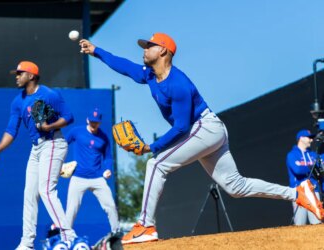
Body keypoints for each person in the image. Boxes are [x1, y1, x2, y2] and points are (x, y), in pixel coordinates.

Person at [79, 33, 324, 245]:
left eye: (149, 45)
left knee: (156, 163)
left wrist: (150, 147)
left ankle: (146, 225)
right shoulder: (150, 75)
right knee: (236, 187)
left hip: (205, 128)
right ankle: (299, 193)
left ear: (163, 50)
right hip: (203, 132)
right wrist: (96, 51)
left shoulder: (179, 84)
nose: (144, 49)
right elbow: (124, 66)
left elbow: (182, 127)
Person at [0, 61, 77, 250]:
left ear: (31, 75)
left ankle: (69, 237)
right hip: (36, 148)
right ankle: (27, 243)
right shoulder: (18, 101)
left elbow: (69, 116)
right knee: (29, 194)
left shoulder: (49, 95)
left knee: (46, 190)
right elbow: (11, 130)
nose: (17, 76)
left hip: (53, 142)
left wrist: (50, 126)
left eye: (20, 73)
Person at [65, 108, 119, 233]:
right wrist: (59, 162)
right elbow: (62, 145)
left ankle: (116, 234)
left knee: (110, 206)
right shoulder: (76, 132)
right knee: (71, 209)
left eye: (96, 121)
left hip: (97, 178)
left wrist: (108, 169)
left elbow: (108, 157)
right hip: (78, 177)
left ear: (100, 122)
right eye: (92, 121)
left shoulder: (104, 137)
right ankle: (65, 238)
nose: (94, 123)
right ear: (87, 120)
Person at [287, 129, 324, 225]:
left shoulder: (314, 155)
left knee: (317, 222)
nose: (311, 140)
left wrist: (306, 167)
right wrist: (312, 167)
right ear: (301, 138)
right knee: (300, 224)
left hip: (314, 192)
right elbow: (297, 170)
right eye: (309, 138)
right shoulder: (292, 155)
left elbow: (320, 171)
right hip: (299, 192)